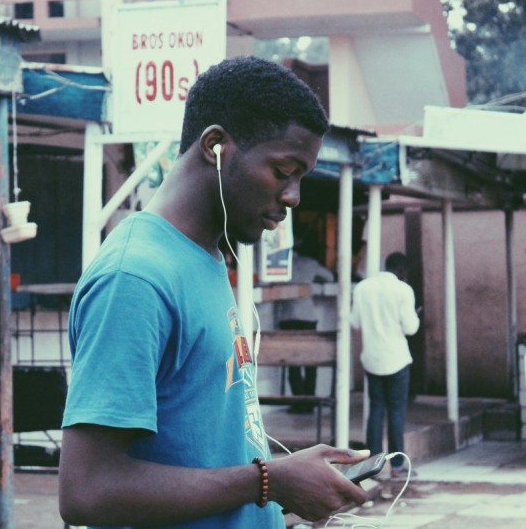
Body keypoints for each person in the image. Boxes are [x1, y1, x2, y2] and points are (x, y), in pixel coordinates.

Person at [59, 56, 371, 528]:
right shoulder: (136, 278)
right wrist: (269, 481)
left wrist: (286, 494)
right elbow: (87, 491)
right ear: (215, 146)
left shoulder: (203, 258)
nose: (293, 197)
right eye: (283, 170)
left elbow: (202, 457)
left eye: (301, 178)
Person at [350, 252, 420, 478]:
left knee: (376, 411)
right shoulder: (403, 290)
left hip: (372, 358)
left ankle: (373, 466)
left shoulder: (362, 288)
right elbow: (411, 328)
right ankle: (397, 465)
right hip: (397, 359)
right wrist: (415, 315)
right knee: (396, 412)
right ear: (401, 270)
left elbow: (354, 322)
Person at [275, 237, 334, 413]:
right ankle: (310, 400)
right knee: (310, 361)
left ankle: (299, 401)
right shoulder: (311, 263)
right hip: (307, 316)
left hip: (288, 317)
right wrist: (313, 283)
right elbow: (330, 277)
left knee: (292, 362)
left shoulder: (281, 263)